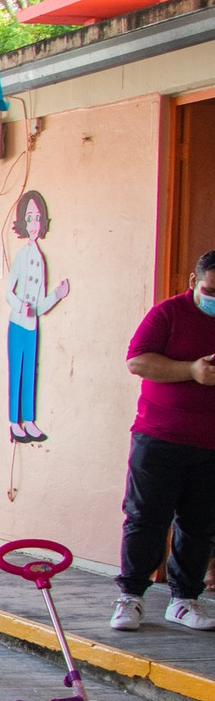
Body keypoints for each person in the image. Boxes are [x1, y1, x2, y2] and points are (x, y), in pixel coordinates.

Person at [111, 249, 215, 633]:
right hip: (159, 437)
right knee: (145, 518)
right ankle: (130, 597)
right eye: (211, 290)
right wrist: (191, 370)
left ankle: (185, 600)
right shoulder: (168, 314)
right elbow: (137, 361)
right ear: (193, 282)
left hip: (210, 446)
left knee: (200, 525)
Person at [5, 189, 70, 444]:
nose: (34, 224)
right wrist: (21, 306)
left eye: (37, 218)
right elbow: (9, 290)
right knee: (17, 372)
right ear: (23, 221)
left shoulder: (40, 259)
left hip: (33, 325)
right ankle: (14, 421)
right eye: (29, 218)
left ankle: (28, 420)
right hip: (18, 323)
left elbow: (41, 304)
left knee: (30, 372)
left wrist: (57, 294)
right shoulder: (22, 255)